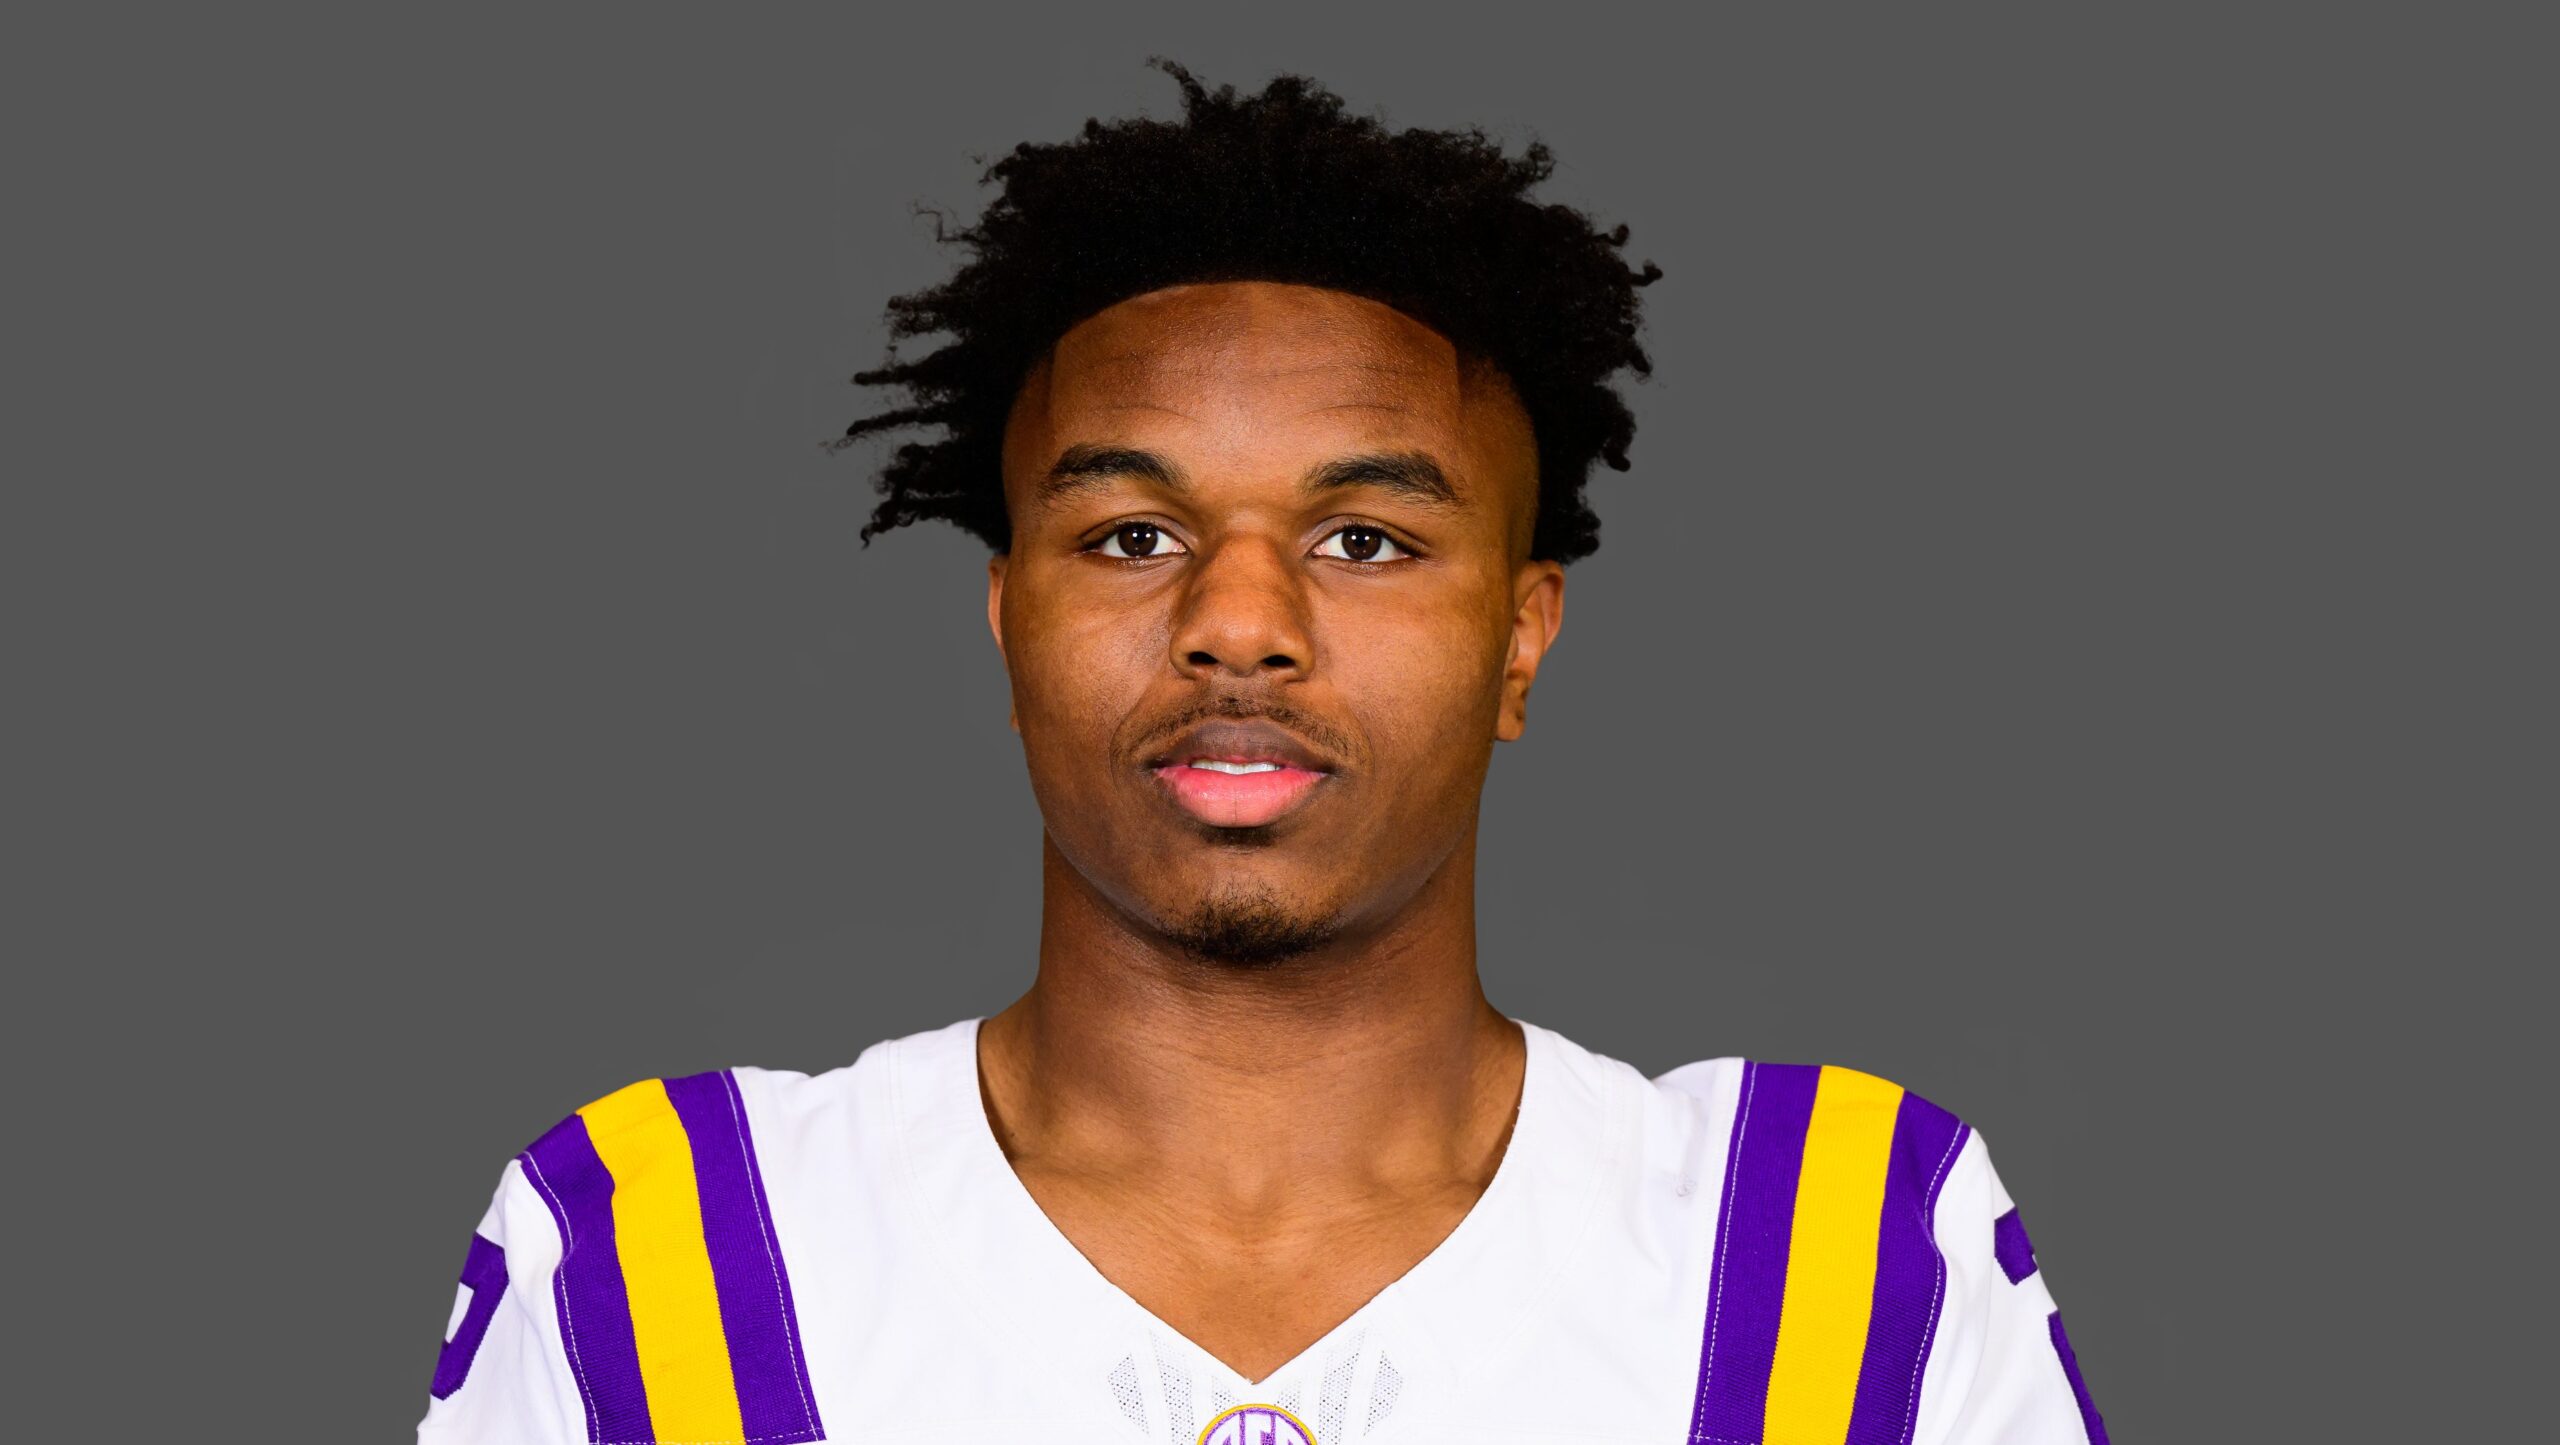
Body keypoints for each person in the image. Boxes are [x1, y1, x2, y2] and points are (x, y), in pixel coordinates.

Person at [414, 61, 2106, 1445]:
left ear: (1521, 636)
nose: (1239, 622)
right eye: (1133, 536)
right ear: (1008, 623)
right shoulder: (659, 1253)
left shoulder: (1844, 1257)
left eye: (1365, 538)